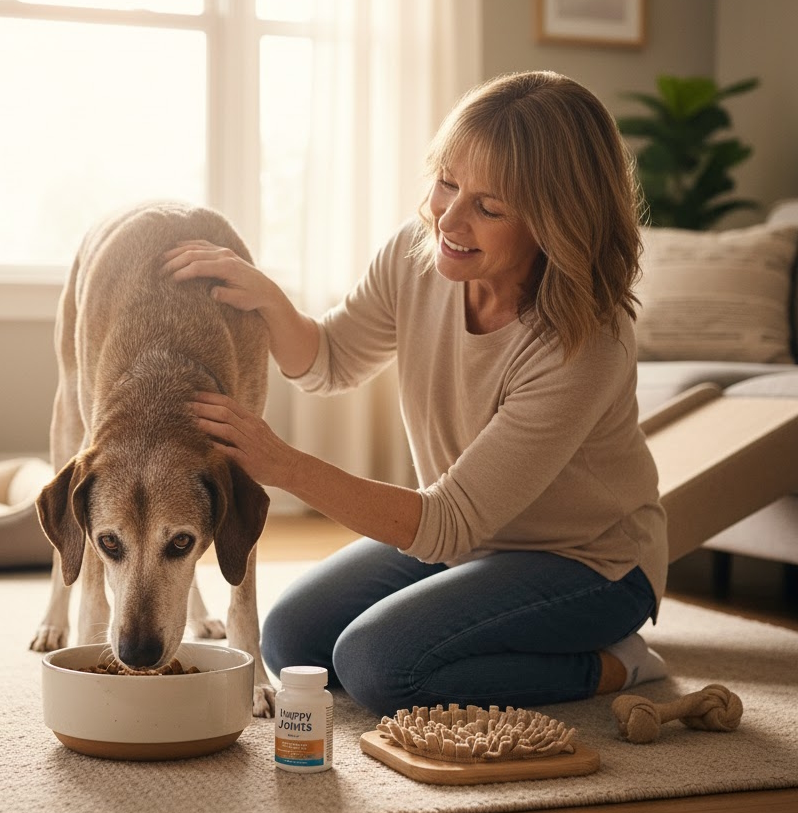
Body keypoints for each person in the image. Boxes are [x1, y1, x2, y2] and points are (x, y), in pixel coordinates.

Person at [162, 70, 669, 717]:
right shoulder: (416, 252)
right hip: (471, 545)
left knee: (378, 666)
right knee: (289, 638)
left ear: (553, 223)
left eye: (488, 207)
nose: (448, 217)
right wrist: (266, 296)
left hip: (591, 565)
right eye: (447, 182)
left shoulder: (585, 342)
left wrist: (282, 464)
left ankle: (613, 663)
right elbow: (330, 360)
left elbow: (446, 522)